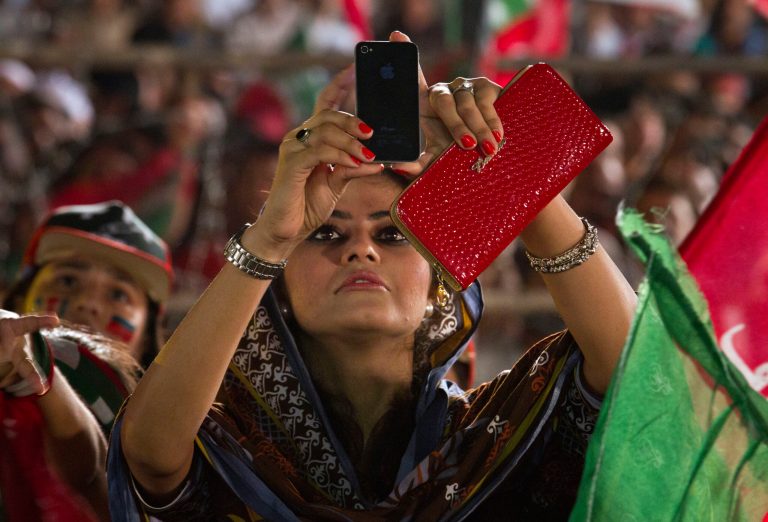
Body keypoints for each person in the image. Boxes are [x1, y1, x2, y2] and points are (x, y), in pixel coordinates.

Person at [110, 32, 637, 520]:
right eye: (324, 235)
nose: (360, 250)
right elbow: (152, 454)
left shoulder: (496, 437)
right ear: (279, 285)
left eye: (391, 235)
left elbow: (636, 371)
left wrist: (502, 162)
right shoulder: (230, 443)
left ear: (441, 282)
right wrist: (271, 236)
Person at [0, 200, 173, 521]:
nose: (88, 303)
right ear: (17, 299)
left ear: (148, 336)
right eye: (67, 281)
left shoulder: (174, 444)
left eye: (118, 294)